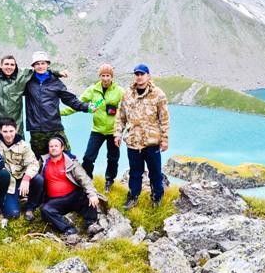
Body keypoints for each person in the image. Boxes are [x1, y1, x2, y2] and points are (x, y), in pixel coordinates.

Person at [61, 64, 124, 194]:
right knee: (88, 158)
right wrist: (60, 113)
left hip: (114, 132)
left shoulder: (119, 91)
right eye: (103, 75)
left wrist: (121, 130)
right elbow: (77, 104)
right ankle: (87, 180)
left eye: (108, 76)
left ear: (112, 77)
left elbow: (125, 111)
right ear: (99, 76)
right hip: (97, 130)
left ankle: (109, 181)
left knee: (113, 158)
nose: (105, 78)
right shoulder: (93, 90)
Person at [114, 64, 170, 209]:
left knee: (155, 172)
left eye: (142, 74)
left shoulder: (158, 94)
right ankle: (133, 197)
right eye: (137, 74)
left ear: (148, 76)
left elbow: (164, 118)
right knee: (135, 172)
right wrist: (117, 134)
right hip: (133, 141)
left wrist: (164, 139)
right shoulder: (127, 94)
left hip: (151, 142)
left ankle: (157, 197)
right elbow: (121, 117)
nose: (139, 77)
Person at [25, 51, 92, 158]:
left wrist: (86, 107)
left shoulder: (56, 82)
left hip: (54, 127)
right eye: (37, 64)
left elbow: (70, 99)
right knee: (38, 160)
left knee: (67, 156)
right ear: (33, 66)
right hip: (36, 130)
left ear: (47, 64)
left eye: (43, 63)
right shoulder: (28, 81)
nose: (40, 66)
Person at [37, 135, 101, 242]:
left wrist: (92, 194)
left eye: (56, 146)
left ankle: (91, 224)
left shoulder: (71, 162)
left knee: (88, 196)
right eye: (51, 146)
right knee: (45, 210)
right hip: (56, 200)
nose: (53, 148)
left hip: (74, 196)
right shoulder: (43, 162)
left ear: (62, 148)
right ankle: (69, 229)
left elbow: (84, 179)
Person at [0, 117, 44, 220]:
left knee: (38, 179)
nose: (8, 134)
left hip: (22, 178)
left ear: (16, 130)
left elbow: (33, 163)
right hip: (8, 182)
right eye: (5, 131)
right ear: (0, 131)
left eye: (11, 131)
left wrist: (27, 178)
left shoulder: (24, 146)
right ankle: (0, 202)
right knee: (12, 215)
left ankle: (30, 208)